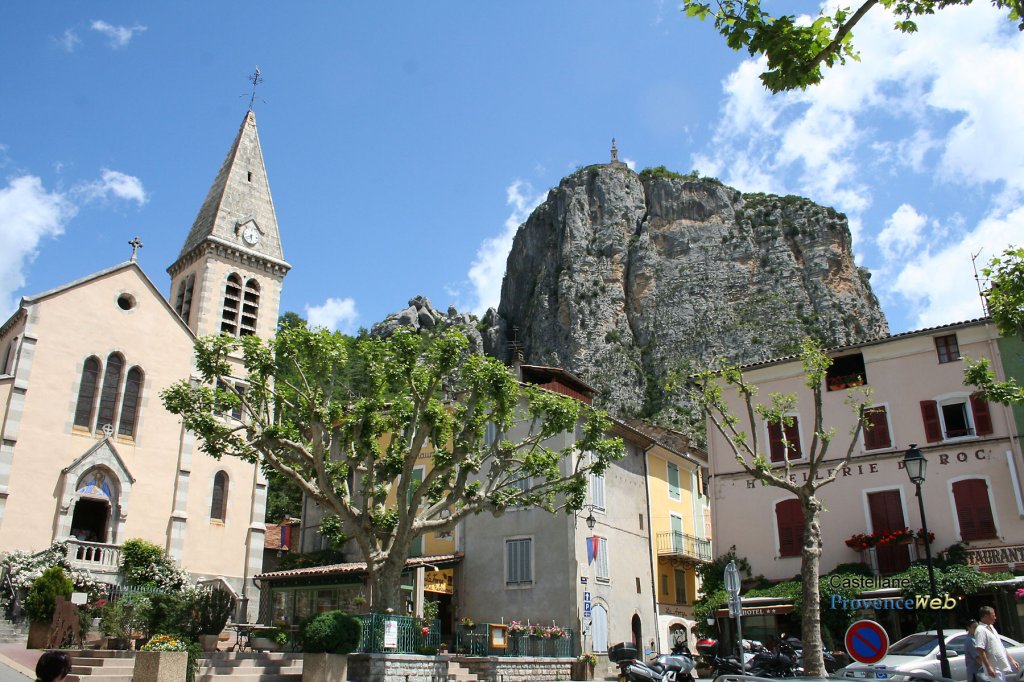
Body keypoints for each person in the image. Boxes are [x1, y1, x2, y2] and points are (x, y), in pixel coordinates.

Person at [976, 606, 1021, 682]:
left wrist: (1012, 660)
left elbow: (1000, 646)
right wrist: (988, 667)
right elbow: (980, 650)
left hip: (999, 666)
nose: (995, 618)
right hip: (994, 667)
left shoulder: (991, 627)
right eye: (993, 616)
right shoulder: (980, 630)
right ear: (986, 616)